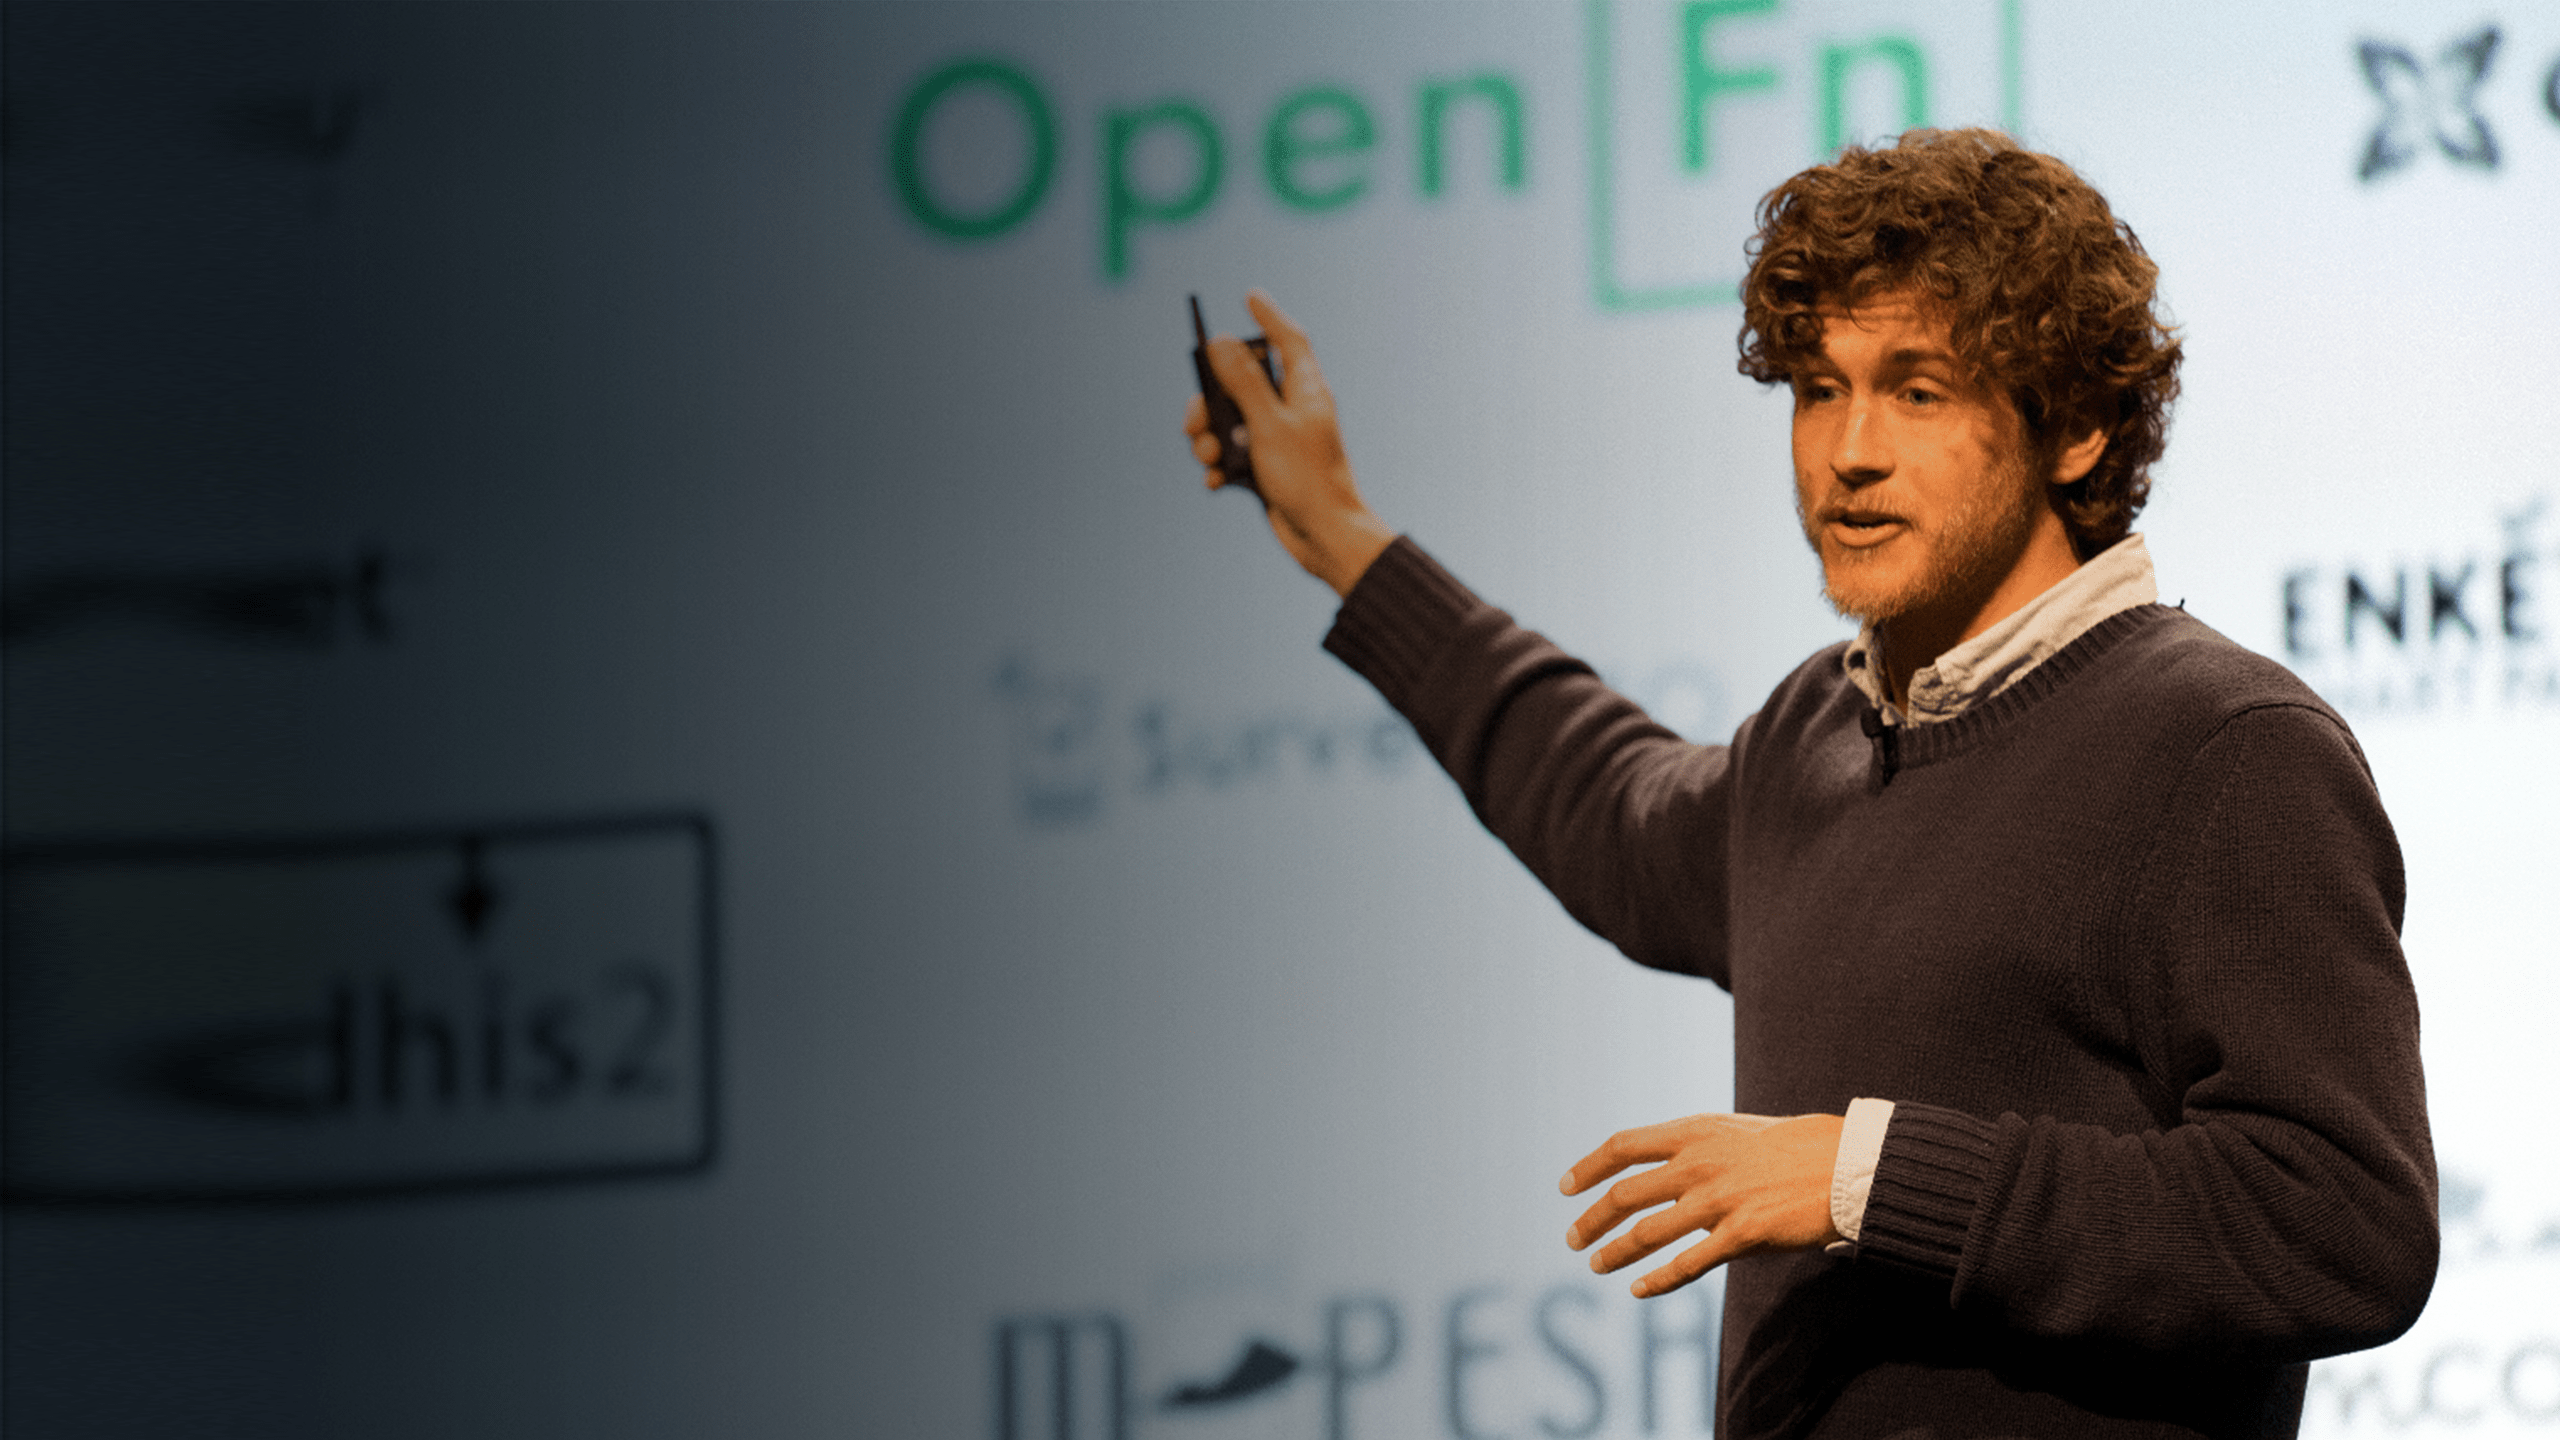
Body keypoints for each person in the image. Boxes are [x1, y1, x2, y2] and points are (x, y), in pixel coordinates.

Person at [1181, 128, 2437, 1438]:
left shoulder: (2221, 744)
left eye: (1917, 389)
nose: (1847, 452)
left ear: (2074, 427)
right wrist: (1345, 542)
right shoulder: (1815, 735)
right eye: (1818, 389)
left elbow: (2341, 1219)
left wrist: (1867, 1174)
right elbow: (1612, 808)